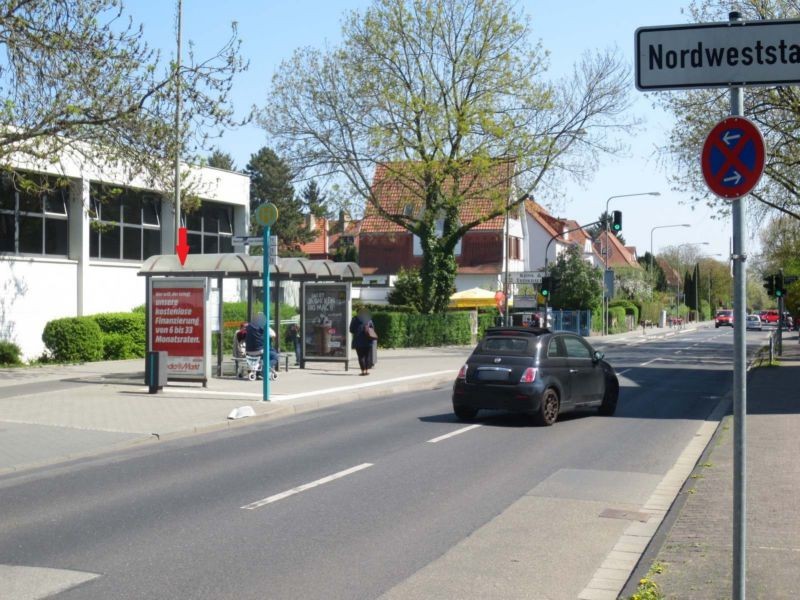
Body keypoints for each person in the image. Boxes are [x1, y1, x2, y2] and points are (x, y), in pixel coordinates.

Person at [350, 308, 376, 376]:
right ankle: (367, 371)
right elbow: (372, 329)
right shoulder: (369, 320)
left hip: (358, 341)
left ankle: (363, 371)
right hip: (368, 340)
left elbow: (351, 330)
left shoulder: (355, 319)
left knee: (361, 356)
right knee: (367, 356)